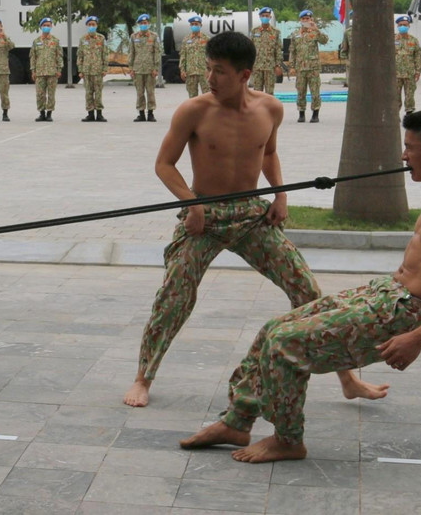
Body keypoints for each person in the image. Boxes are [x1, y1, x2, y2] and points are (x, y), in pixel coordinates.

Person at [180, 108, 421, 463]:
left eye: (409, 148)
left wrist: (418, 337)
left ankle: (288, 440)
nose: (403, 156)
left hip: (404, 313)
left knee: (287, 345)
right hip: (386, 292)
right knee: (273, 328)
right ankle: (237, 421)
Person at [124, 30, 390, 411]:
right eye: (208, 69)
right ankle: (142, 377)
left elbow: (268, 155)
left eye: (220, 72)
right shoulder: (194, 110)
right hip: (207, 214)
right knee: (174, 296)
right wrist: (191, 203)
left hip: (251, 213)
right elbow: (164, 165)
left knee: (307, 290)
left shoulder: (270, 109)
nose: (211, 79)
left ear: (245, 75)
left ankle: (347, 379)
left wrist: (281, 194)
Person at [286, 10, 324, 123]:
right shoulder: (296, 34)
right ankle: (301, 113)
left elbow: (324, 40)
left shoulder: (315, 32)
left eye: (307, 19)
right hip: (300, 68)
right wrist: (291, 66)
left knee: (315, 92)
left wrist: (316, 29)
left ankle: (315, 114)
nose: (305, 21)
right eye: (303, 19)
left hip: (313, 68)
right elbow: (292, 51)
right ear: (300, 20)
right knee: (300, 91)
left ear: (311, 19)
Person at [128, 13, 162, 121]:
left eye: (145, 23)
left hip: (150, 69)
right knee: (139, 92)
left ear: (148, 24)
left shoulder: (154, 36)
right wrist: (131, 68)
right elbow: (131, 53)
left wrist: (156, 68)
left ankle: (151, 113)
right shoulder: (134, 37)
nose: (144, 24)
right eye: (142, 23)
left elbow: (157, 52)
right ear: (138, 24)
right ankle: (141, 113)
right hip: (137, 69)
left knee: (150, 92)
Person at [77, 15, 108, 122]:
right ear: (87, 25)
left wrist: (105, 68)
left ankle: (99, 114)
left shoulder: (101, 38)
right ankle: (90, 113)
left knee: (98, 92)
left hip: (98, 70)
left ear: (97, 25)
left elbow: (105, 54)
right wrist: (80, 70)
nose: (91, 26)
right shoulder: (83, 39)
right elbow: (80, 55)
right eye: (89, 24)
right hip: (86, 71)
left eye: (93, 25)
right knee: (88, 92)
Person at [31, 16, 61, 122]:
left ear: (51, 26)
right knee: (40, 94)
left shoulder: (55, 41)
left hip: (52, 72)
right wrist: (33, 70)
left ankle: (49, 113)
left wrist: (59, 69)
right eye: (44, 25)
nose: (46, 27)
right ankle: (41, 113)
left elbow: (59, 56)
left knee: (51, 94)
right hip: (39, 72)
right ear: (41, 27)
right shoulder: (36, 41)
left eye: (48, 26)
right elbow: (33, 57)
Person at [249, 8, 282, 95]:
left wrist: (278, 65)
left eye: (267, 16)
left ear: (270, 17)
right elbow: (250, 49)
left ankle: (268, 108)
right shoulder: (254, 31)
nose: (265, 17)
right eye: (263, 16)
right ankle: (257, 109)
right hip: (257, 66)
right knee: (257, 92)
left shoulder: (276, 32)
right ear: (260, 17)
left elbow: (278, 49)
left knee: (269, 92)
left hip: (270, 66)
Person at [394, 14, 421, 115]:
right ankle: (395, 116)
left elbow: (417, 56)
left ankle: (409, 115)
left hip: (409, 73)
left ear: (409, 26)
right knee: (395, 96)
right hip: (395, 74)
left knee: (410, 96)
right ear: (397, 26)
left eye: (405, 25)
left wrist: (418, 71)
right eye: (401, 25)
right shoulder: (393, 39)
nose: (403, 27)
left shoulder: (413, 40)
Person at [180, 15, 208, 99]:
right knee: (192, 97)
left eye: (196, 24)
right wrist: (182, 70)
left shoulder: (206, 39)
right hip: (190, 72)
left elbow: (211, 56)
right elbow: (183, 56)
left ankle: (207, 112)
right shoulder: (186, 39)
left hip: (204, 71)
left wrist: (210, 71)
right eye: (192, 24)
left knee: (207, 95)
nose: (194, 26)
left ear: (200, 25)